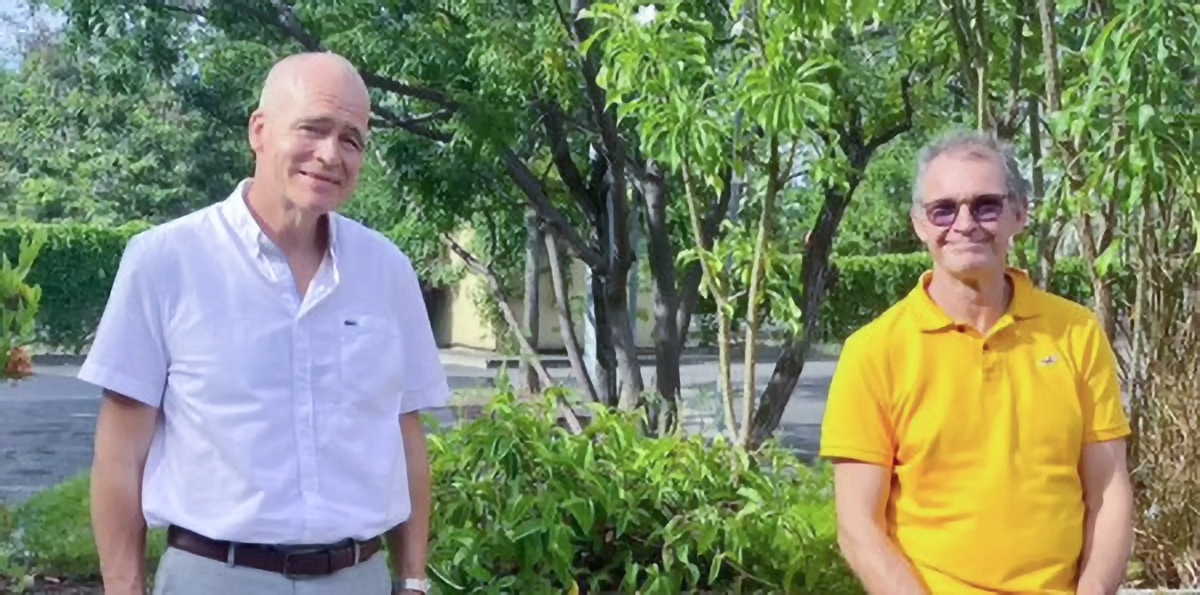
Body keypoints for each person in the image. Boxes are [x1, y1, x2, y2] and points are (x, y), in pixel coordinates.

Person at [81, 51, 448, 595]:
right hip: (214, 577)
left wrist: (413, 580)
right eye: (313, 128)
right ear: (259, 130)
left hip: (359, 578)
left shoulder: (387, 270)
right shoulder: (166, 261)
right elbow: (119, 454)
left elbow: (404, 433)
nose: (331, 154)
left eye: (351, 139)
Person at [819, 130, 1134, 595]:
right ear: (919, 224)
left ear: (1019, 214)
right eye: (943, 209)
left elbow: (1108, 490)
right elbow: (858, 527)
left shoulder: (1077, 333)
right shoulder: (874, 351)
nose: (964, 224)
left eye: (986, 206)